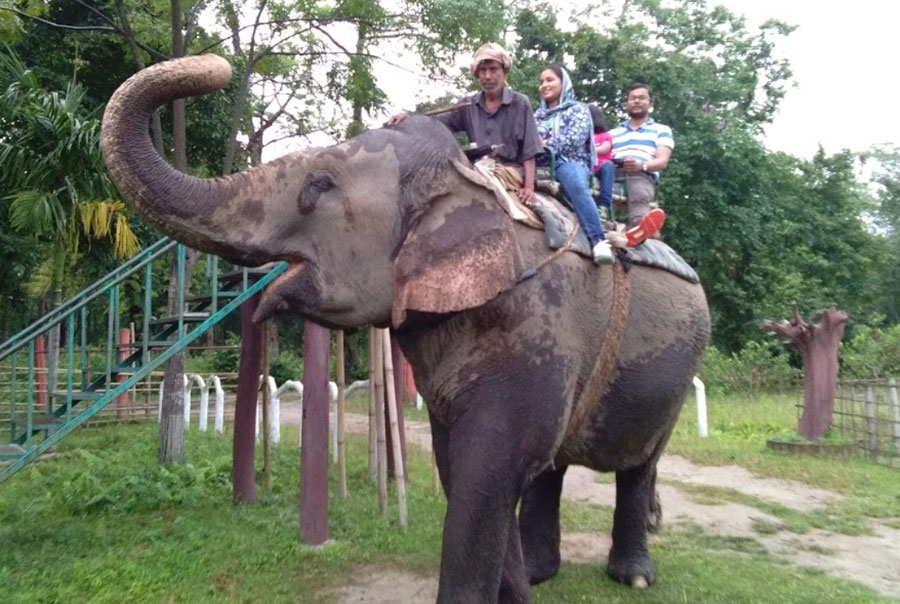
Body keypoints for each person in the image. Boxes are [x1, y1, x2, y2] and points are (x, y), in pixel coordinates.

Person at [385, 43, 543, 205]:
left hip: (509, 171)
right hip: (475, 168)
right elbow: (437, 122)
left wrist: (529, 187)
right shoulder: (468, 105)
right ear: (477, 74)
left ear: (504, 72)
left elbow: (529, 150)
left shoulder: (520, 103)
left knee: (485, 182)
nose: (487, 76)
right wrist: (408, 119)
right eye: (482, 70)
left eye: (493, 69)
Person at [534, 65, 613, 264]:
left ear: (564, 83)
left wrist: (544, 145)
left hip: (568, 160)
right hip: (536, 161)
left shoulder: (578, 110)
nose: (544, 85)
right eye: (541, 81)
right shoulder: (537, 115)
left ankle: (598, 240)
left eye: (550, 80)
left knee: (577, 187)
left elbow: (573, 140)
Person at [609, 83, 670, 244]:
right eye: (632, 98)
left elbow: (662, 161)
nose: (636, 101)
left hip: (640, 174)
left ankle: (638, 229)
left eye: (641, 98)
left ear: (650, 104)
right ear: (627, 104)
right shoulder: (613, 133)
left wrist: (641, 165)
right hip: (611, 172)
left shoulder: (661, 129)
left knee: (639, 194)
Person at [589, 104, 615, 217]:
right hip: (585, 165)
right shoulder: (581, 136)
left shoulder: (605, 136)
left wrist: (588, 149)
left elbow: (605, 148)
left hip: (600, 166)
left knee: (609, 166)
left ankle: (603, 205)